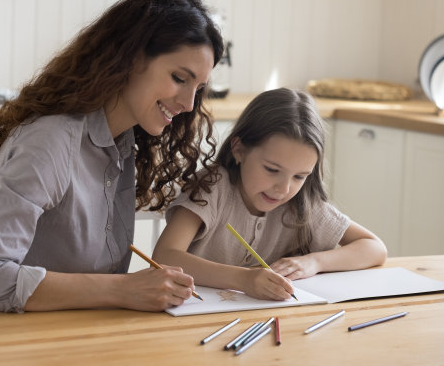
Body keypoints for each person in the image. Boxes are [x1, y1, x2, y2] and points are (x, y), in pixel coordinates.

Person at [0, 0, 224, 313]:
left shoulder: (122, 147)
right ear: (131, 58)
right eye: (179, 78)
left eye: (198, 89)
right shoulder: (51, 140)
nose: (189, 104)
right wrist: (124, 289)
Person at [152, 88, 387, 301]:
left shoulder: (301, 202)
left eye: (299, 176)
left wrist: (314, 262)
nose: (284, 189)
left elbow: (374, 248)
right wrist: (244, 279)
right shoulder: (212, 188)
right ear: (239, 149)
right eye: (272, 170)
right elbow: (165, 255)